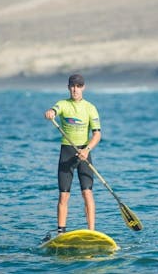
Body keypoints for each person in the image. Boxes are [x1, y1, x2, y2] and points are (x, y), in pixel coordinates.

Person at [44, 74, 101, 234]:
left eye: (78, 86)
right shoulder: (63, 104)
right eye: (72, 86)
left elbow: (97, 135)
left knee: (87, 192)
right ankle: (61, 231)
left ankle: (91, 231)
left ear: (83, 87)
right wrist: (51, 112)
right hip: (67, 152)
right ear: (68, 87)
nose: (75, 89)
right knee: (64, 194)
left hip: (84, 152)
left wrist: (86, 150)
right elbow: (55, 110)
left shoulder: (90, 108)